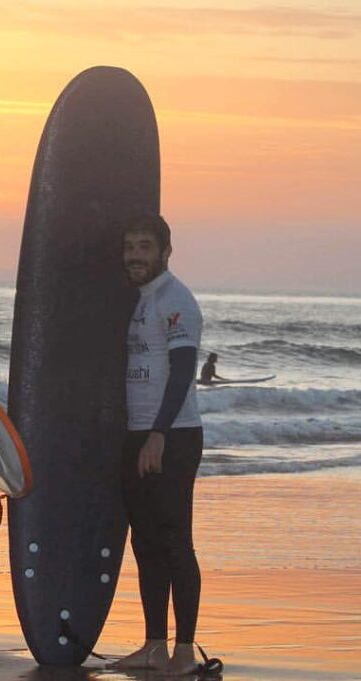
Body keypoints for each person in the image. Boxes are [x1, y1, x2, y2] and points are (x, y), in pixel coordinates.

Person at [117, 215, 205, 676]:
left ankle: (185, 651)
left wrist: (158, 435)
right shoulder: (138, 301)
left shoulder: (176, 301)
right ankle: (154, 644)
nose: (135, 255)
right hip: (139, 433)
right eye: (130, 246)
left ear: (165, 252)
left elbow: (182, 371)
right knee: (145, 542)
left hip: (173, 435)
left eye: (144, 246)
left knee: (175, 542)